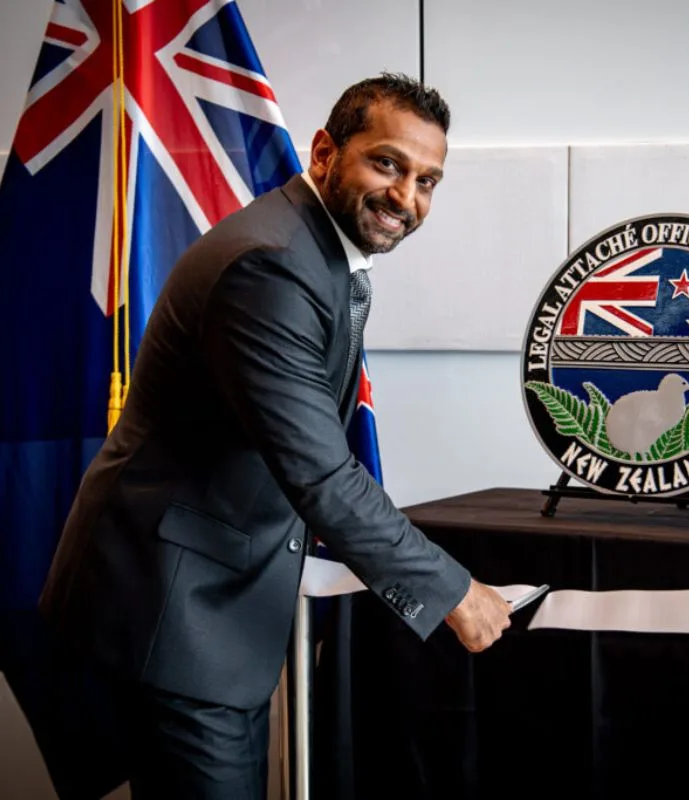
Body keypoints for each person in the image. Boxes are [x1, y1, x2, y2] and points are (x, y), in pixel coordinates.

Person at [39, 72, 512, 799]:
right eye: (387, 163)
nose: (406, 197)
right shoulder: (272, 267)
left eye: (427, 181)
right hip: (172, 612)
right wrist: (453, 593)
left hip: (208, 605)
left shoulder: (317, 251)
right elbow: (322, 474)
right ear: (324, 152)